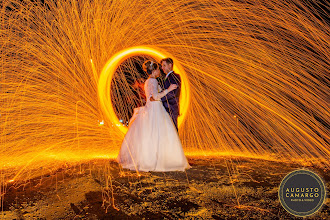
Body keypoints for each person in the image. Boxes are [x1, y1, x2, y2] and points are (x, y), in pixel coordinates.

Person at [116, 60, 191, 172]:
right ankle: (159, 160)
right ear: (154, 71)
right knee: (159, 134)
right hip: (155, 109)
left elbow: (151, 96)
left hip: (153, 108)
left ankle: (155, 158)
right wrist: (168, 90)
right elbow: (154, 97)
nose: (160, 70)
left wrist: (162, 90)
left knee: (154, 134)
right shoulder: (153, 81)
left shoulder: (150, 81)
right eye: (158, 69)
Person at [159, 58, 181, 131]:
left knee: (173, 131)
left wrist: (159, 98)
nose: (162, 68)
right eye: (162, 66)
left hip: (171, 108)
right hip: (166, 108)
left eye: (164, 65)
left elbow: (173, 93)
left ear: (170, 65)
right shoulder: (166, 77)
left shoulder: (175, 76)